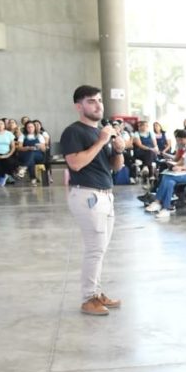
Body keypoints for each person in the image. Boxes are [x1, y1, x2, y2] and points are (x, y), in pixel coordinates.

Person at [60, 85, 125, 316]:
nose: (98, 105)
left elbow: (114, 168)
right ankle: (88, 298)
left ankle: (96, 293)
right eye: (91, 101)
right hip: (87, 195)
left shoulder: (101, 133)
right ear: (79, 106)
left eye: (99, 100)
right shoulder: (74, 132)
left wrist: (117, 150)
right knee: (94, 250)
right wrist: (101, 141)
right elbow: (75, 163)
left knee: (101, 249)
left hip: (105, 194)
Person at [146, 130, 186, 219]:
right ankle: (166, 208)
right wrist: (173, 165)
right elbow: (180, 162)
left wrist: (182, 168)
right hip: (182, 173)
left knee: (167, 177)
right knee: (169, 181)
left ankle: (158, 202)